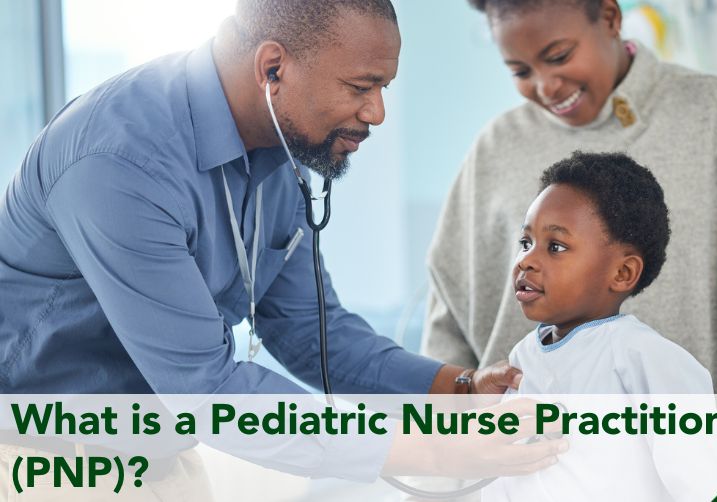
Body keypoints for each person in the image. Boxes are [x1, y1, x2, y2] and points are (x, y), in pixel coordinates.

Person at [0, 0, 563, 488]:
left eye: (383, 88)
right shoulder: (121, 163)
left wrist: (457, 391)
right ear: (273, 67)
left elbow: (310, 329)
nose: (377, 113)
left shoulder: (279, 147)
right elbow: (208, 387)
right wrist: (429, 449)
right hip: (47, 462)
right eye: (360, 87)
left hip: (158, 454)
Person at [423, 0, 717, 393]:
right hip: (511, 450)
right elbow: (448, 324)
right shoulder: (496, 149)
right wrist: (457, 442)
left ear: (610, 17)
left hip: (692, 447)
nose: (545, 86)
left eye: (559, 56)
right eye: (520, 71)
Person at [482, 151, 717, 501]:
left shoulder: (647, 360)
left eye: (555, 246)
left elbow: (705, 480)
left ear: (622, 273)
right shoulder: (523, 357)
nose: (526, 260)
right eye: (526, 243)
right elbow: (500, 469)